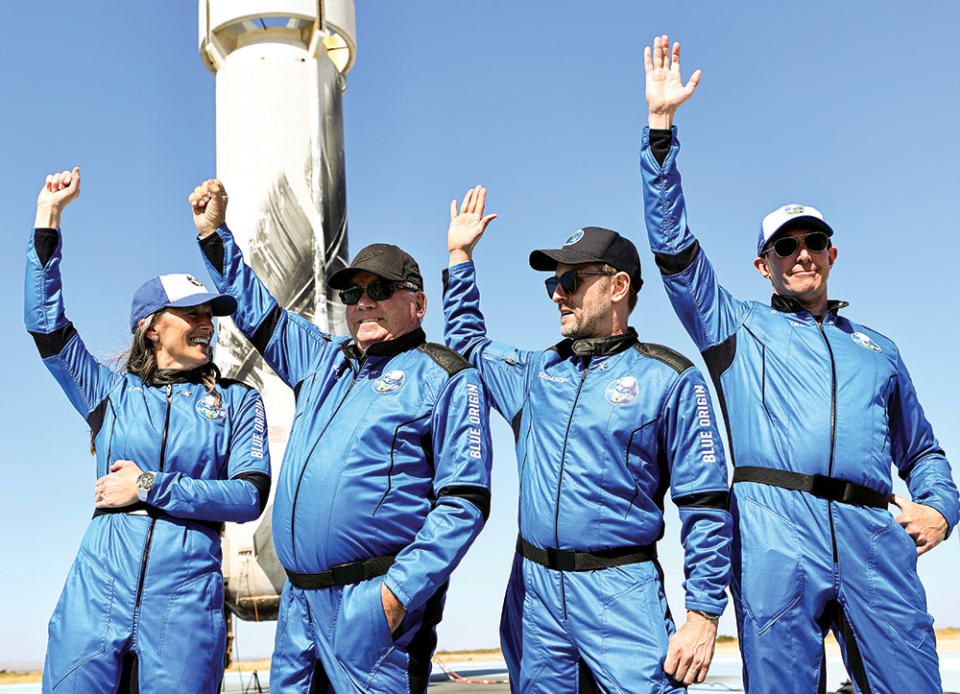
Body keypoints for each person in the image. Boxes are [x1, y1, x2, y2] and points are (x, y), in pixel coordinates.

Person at [640, 35, 960, 693]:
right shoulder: (733, 325)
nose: (802, 253)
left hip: (876, 539)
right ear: (765, 264)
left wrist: (941, 509)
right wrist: (661, 132)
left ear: (833, 254)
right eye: (786, 246)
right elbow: (672, 247)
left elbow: (922, 450)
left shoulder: (879, 350)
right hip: (775, 538)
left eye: (814, 240)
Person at [188, 179, 493, 693]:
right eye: (353, 293)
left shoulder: (446, 376)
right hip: (300, 606)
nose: (363, 303)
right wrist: (216, 235)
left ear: (417, 304)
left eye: (379, 290)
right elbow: (258, 310)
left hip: (373, 610)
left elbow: (464, 502)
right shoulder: (322, 359)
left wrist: (396, 596)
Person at [443, 186, 732, 691]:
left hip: (620, 593)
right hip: (533, 597)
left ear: (618, 286)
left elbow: (706, 504)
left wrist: (703, 614)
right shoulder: (534, 375)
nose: (558, 293)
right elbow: (468, 345)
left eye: (572, 280)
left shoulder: (669, 379)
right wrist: (460, 257)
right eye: (554, 284)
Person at [25, 168, 272, 693]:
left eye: (211, 314)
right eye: (192, 313)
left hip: (184, 608)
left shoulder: (238, 401)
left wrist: (146, 486)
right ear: (151, 325)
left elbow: (248, 495)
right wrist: (48, 219)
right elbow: (46, 325)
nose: (207, 323)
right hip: (95, 598)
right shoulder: (108, 394)